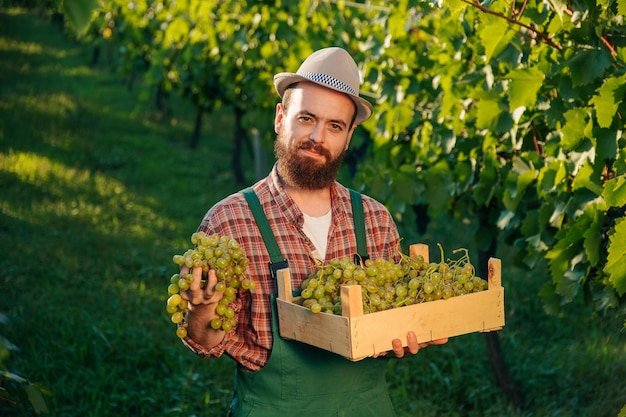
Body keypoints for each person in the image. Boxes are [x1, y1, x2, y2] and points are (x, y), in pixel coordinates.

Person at [179, 47, 447, 417]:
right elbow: (206, 341)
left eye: (335, 126)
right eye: (306, 118)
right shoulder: (229, 222)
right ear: (280, 117)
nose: (317, 136)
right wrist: (201, 311)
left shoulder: (375, 220)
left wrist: (406, 333)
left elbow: (388, 329)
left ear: (349, 136)